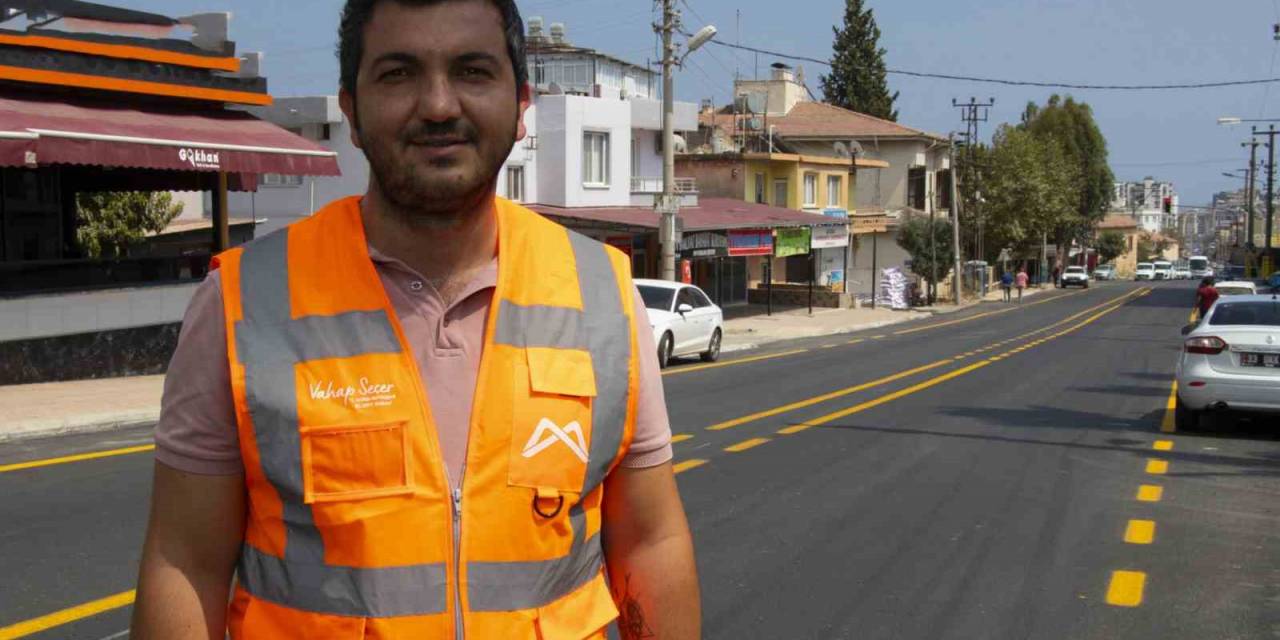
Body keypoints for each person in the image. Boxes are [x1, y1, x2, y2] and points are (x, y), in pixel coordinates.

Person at [130, 1, 700, 638]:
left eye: (473, 71)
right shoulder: (242, 304)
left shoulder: (605, 297)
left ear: (522, 102)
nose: (437, 105)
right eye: (398, 73)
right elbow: (185, 565)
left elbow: (651, 542)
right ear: (349, 106)